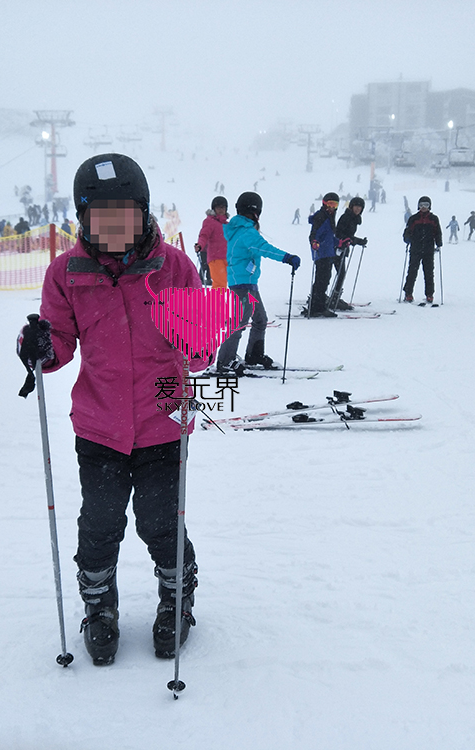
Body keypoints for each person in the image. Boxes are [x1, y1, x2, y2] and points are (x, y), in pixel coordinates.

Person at [15, 153, 204, 667]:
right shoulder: (67, 273)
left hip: (163, 420)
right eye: (102, 217)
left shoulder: (175, 267)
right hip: (100, 426)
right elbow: (58, 345)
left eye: (124, 214)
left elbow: (198, 341)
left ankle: (176, 601)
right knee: (99, 524)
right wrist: (36, 345)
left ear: (143, 213)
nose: (114, 227)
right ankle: (99, 608)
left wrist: (202, 335)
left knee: (160, 521)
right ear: (84, 218)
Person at [215, 191, 300, 371]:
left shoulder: (243, 229)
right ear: (255, 211)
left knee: (260, 319)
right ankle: (225, 361)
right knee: (239, 322)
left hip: (248, 283)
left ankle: (254, 355)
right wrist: (287, 258)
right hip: (242, 285)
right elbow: (265, 248)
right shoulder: (245, 232)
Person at [402, 196, 442, 304]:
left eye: (426, 205)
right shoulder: (414, 219)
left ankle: (429, 295)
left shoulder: (433, 219)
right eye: (421, 205)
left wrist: (439, 243)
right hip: (416, 249)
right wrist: (407, 238)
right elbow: (407, 230)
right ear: (418, 206)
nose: (423, 207)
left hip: (429, 250)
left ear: (429, 206)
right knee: (412, 271)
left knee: (429, 273)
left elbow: (437, 231)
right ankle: (408, 293)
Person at [329, 196, 367, 311]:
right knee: (340, 273)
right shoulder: (346, 218)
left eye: (360, 207)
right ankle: (334, 299)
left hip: (341, 249)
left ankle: (334, 297)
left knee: (340, 273)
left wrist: (356, 241)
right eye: (356, 206)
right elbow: (340, 234)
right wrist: (356, 241)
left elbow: (348, 236)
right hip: (337, 249)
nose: (357, 209)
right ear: (351, 206)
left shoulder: (354, 219)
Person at [306, 192, 339, 317]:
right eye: (330, 204)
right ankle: (317, 307)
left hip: (328, 251)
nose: (332, 207)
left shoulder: (330, 216)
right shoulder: (321, 216)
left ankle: (317, 304)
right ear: (324, 203)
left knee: (324, 279)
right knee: (321, 280)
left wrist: (339, 242)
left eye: (335, 205)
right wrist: (314, 242)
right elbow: (314, 234)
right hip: (321, 252)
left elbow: (330, 236)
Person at [194, 196, 228, 288]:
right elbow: (204, 235)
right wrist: (200, 245)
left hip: (227, 258)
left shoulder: (227, 225)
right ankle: (215, 302)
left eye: (223, 207)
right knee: (219, 284)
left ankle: (218, 302)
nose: (221, 210)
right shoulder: (210, 222)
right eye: (218, 207)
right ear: (214, 209)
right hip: (215, 257)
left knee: (225, 284)